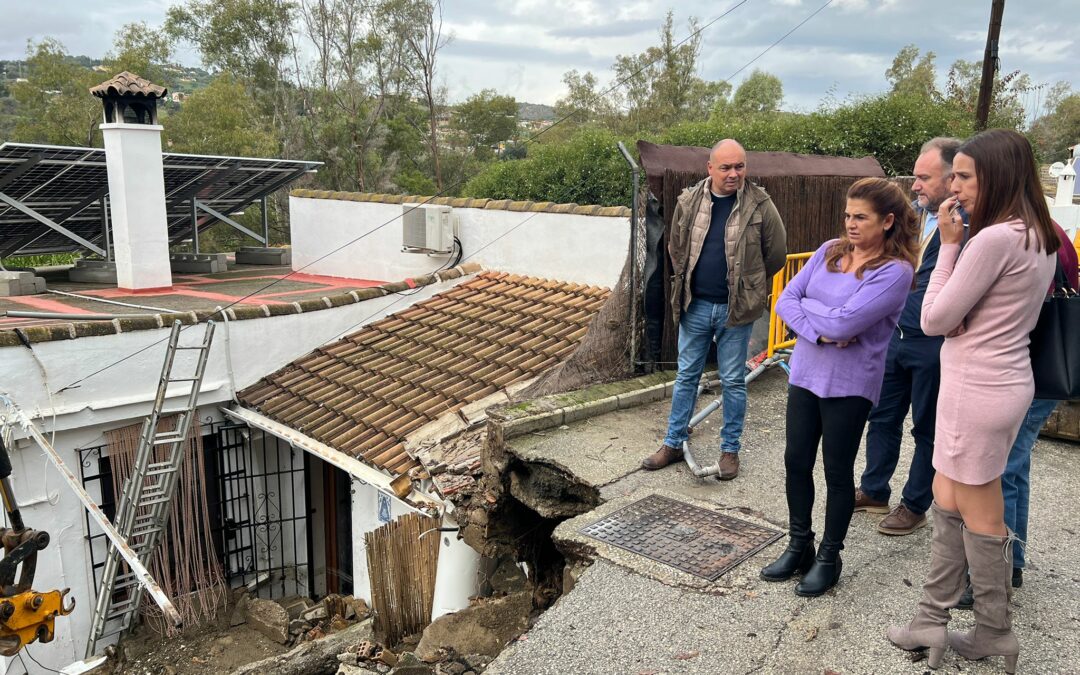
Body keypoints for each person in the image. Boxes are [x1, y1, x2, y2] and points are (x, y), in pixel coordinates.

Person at [888, 129, 1058, 673]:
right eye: (953, 175)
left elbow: (937, 318)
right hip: (1002, 382)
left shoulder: (991, 239)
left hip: (976, 387)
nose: (952, 190)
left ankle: (988, 632)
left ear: (997, 177)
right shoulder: (1037, 233)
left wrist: (953, 248)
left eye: (963, 177)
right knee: (949, 494)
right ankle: (935, 621)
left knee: (979, 510)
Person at [761, 178, 916, 597]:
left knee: (837, 472)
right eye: (848, 214)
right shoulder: (830, 251)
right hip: (806, 374)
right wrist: (823, 326)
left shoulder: (894, 272)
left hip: (850, 384)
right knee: (796, 461)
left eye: (860, 217)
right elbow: (785, 300)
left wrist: (819, 318)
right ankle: (799, 545)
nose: (850, 223)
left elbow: (845, 323)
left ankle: (830, 557)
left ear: (886, 221)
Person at [642, 139, 786, 480]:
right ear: (710, 168)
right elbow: (677, 247)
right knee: (686, 377)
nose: (734, 173)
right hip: (695, 305)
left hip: (735, 310)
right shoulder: (689, 200)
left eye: (739, 166)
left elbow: (776, 254)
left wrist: (749, 285)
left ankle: (729, 453)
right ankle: (673, 443)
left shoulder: (760, 203)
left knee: (733, 381)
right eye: (726, 167)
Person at [953, 219, 1077, 608]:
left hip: (1023, 368)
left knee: (1001, 468)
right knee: (1016, 466)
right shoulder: (1051, 232)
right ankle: (1013, 562)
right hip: (1042, 369)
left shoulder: (1014, 238)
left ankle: (993, 574)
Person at [855, 138, 963, 536]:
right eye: (915, 177)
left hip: (933, 343)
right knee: (881, 416)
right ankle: (873, 489)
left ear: (952, 178)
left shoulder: (965, 226)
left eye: (923, 178)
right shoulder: (912, 218)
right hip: (893, 336)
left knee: (927, 427)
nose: (914, 186)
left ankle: (916, 504)